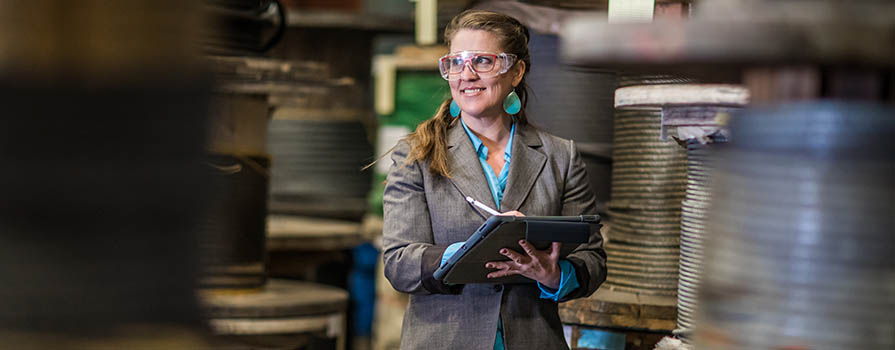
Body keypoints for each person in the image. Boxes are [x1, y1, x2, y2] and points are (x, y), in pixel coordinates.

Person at [381, 10, 607, 350]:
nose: (466, 75)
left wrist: (553, 275)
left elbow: (593, 259)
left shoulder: (561, 156)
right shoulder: (417, 155)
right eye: (456, 62)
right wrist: (471, 252)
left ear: (516, 72)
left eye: (482, 61)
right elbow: (399, 263)